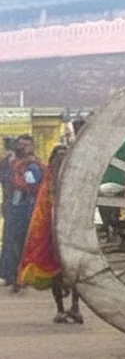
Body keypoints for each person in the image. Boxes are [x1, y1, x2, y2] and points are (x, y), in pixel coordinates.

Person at [16, 145, 81, 323]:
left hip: (67, 230)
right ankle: (62, 309)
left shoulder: (68, 176)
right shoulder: (51, 178)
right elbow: (45, 207)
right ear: (53, 160)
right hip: (53, 232)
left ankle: (73, 308)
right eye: (58, 156)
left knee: (71, 272)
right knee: (58, 274)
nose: (61, 159)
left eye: (64, 156)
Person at [0, 135, 44, 292]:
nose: (22, 148)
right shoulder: (11, 163)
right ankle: (10, 274)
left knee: (24, 243)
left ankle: (21, 276)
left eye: (26, 145)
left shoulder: (34, 165)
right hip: (13, 207)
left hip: (28, 209)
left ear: (32, 147)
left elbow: (33, 186)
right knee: (10, 242)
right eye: (20, 145)